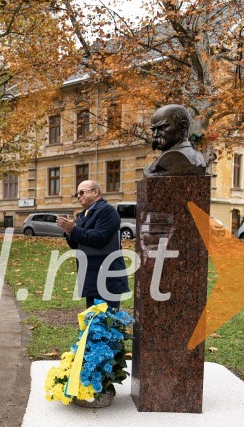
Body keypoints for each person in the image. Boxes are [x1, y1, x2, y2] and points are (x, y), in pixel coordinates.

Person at [56, 180, 129, 309]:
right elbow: (76, 244)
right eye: (77, 194)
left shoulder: (106, 211)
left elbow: (99, 238)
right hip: (91, 276)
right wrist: (68, 232)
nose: (78, 196)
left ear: (95, 192)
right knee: (93, 319)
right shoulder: (84, 214)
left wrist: (74, 230)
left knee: (106, 321)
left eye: (82, 192)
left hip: (107, 276)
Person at [143, 104, 207, 177]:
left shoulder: (178, 157)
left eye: (162, 127)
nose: (155, 135)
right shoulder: (197, 157)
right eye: (154, 130)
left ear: (183, 127)